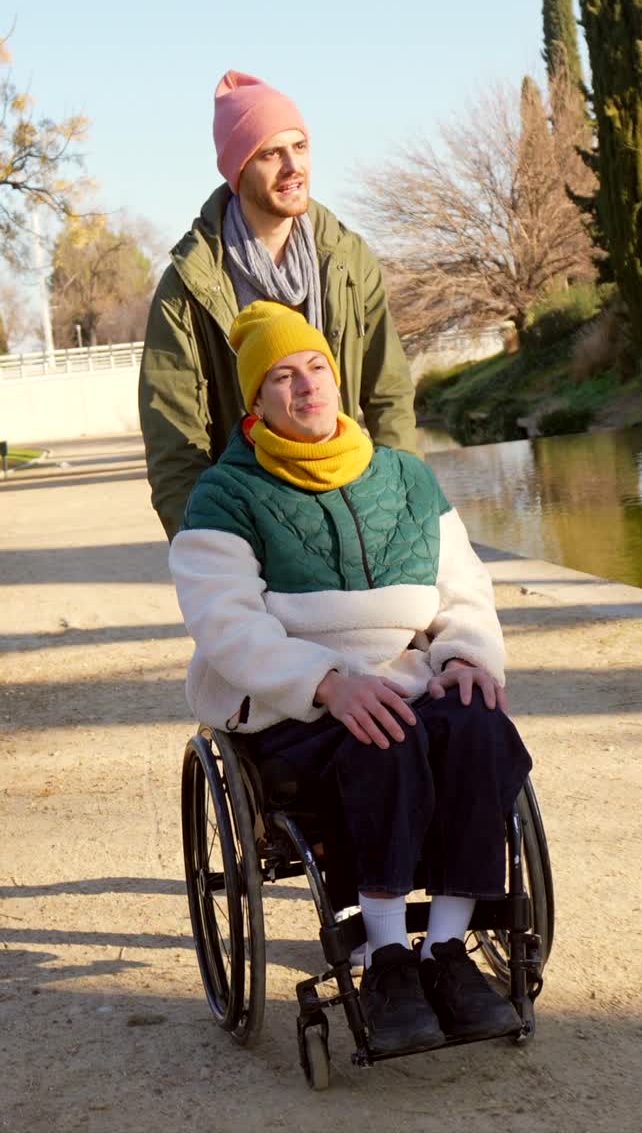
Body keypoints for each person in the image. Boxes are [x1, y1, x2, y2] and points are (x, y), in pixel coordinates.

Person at [169, 301, 532, 1056]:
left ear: (337, 380)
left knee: (477, 724)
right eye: (282, 377)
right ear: (257, 402)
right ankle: (388, 957)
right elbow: (228, 625)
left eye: (315, 369)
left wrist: (463, 654)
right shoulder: (224, 496)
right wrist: (329, 682)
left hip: (404, 680)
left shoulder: (407, 478)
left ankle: (448, 950)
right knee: (381, 736)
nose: (306, 387)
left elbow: (464, 590)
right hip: (290, 711)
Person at [139, 70, 417, 541]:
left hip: (350, 506)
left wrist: (403, 507)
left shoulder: (348, 261)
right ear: (237, 169)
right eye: (271, 153)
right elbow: (174, 440)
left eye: (300, 147)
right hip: (248, 520)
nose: (294, 167)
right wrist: (209, 552)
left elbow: (389, 395)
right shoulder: (188, 287)